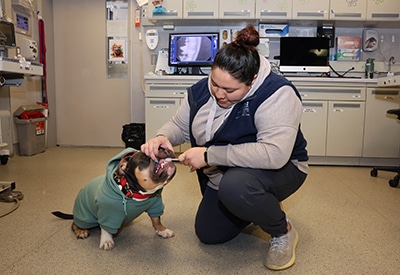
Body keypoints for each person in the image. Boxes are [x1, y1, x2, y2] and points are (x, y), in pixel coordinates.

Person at [141, 24, 308, 271]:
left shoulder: (278, 94)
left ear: (252, 80)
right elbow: (180, 124)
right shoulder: (202, 90)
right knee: (210, 234)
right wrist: (163, 136)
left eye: (230, 90)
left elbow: (274, 154)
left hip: (283, 168)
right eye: (215, 84)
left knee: (236, 187)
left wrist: (209, 155)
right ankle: (257, 204)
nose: (219, 94)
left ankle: (281, 230)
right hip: (228, 173)